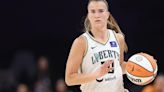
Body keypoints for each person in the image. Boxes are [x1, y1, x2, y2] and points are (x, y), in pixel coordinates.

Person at [65, 0, 156, 92]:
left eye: (101, 11)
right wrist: (97, 74)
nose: (97, 15)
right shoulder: (81, 42)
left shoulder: (118, 38)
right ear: (88, 16)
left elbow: (119, 66)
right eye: (93, 11)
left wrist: (140, 65)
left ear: (107, 15)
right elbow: (69, 79)